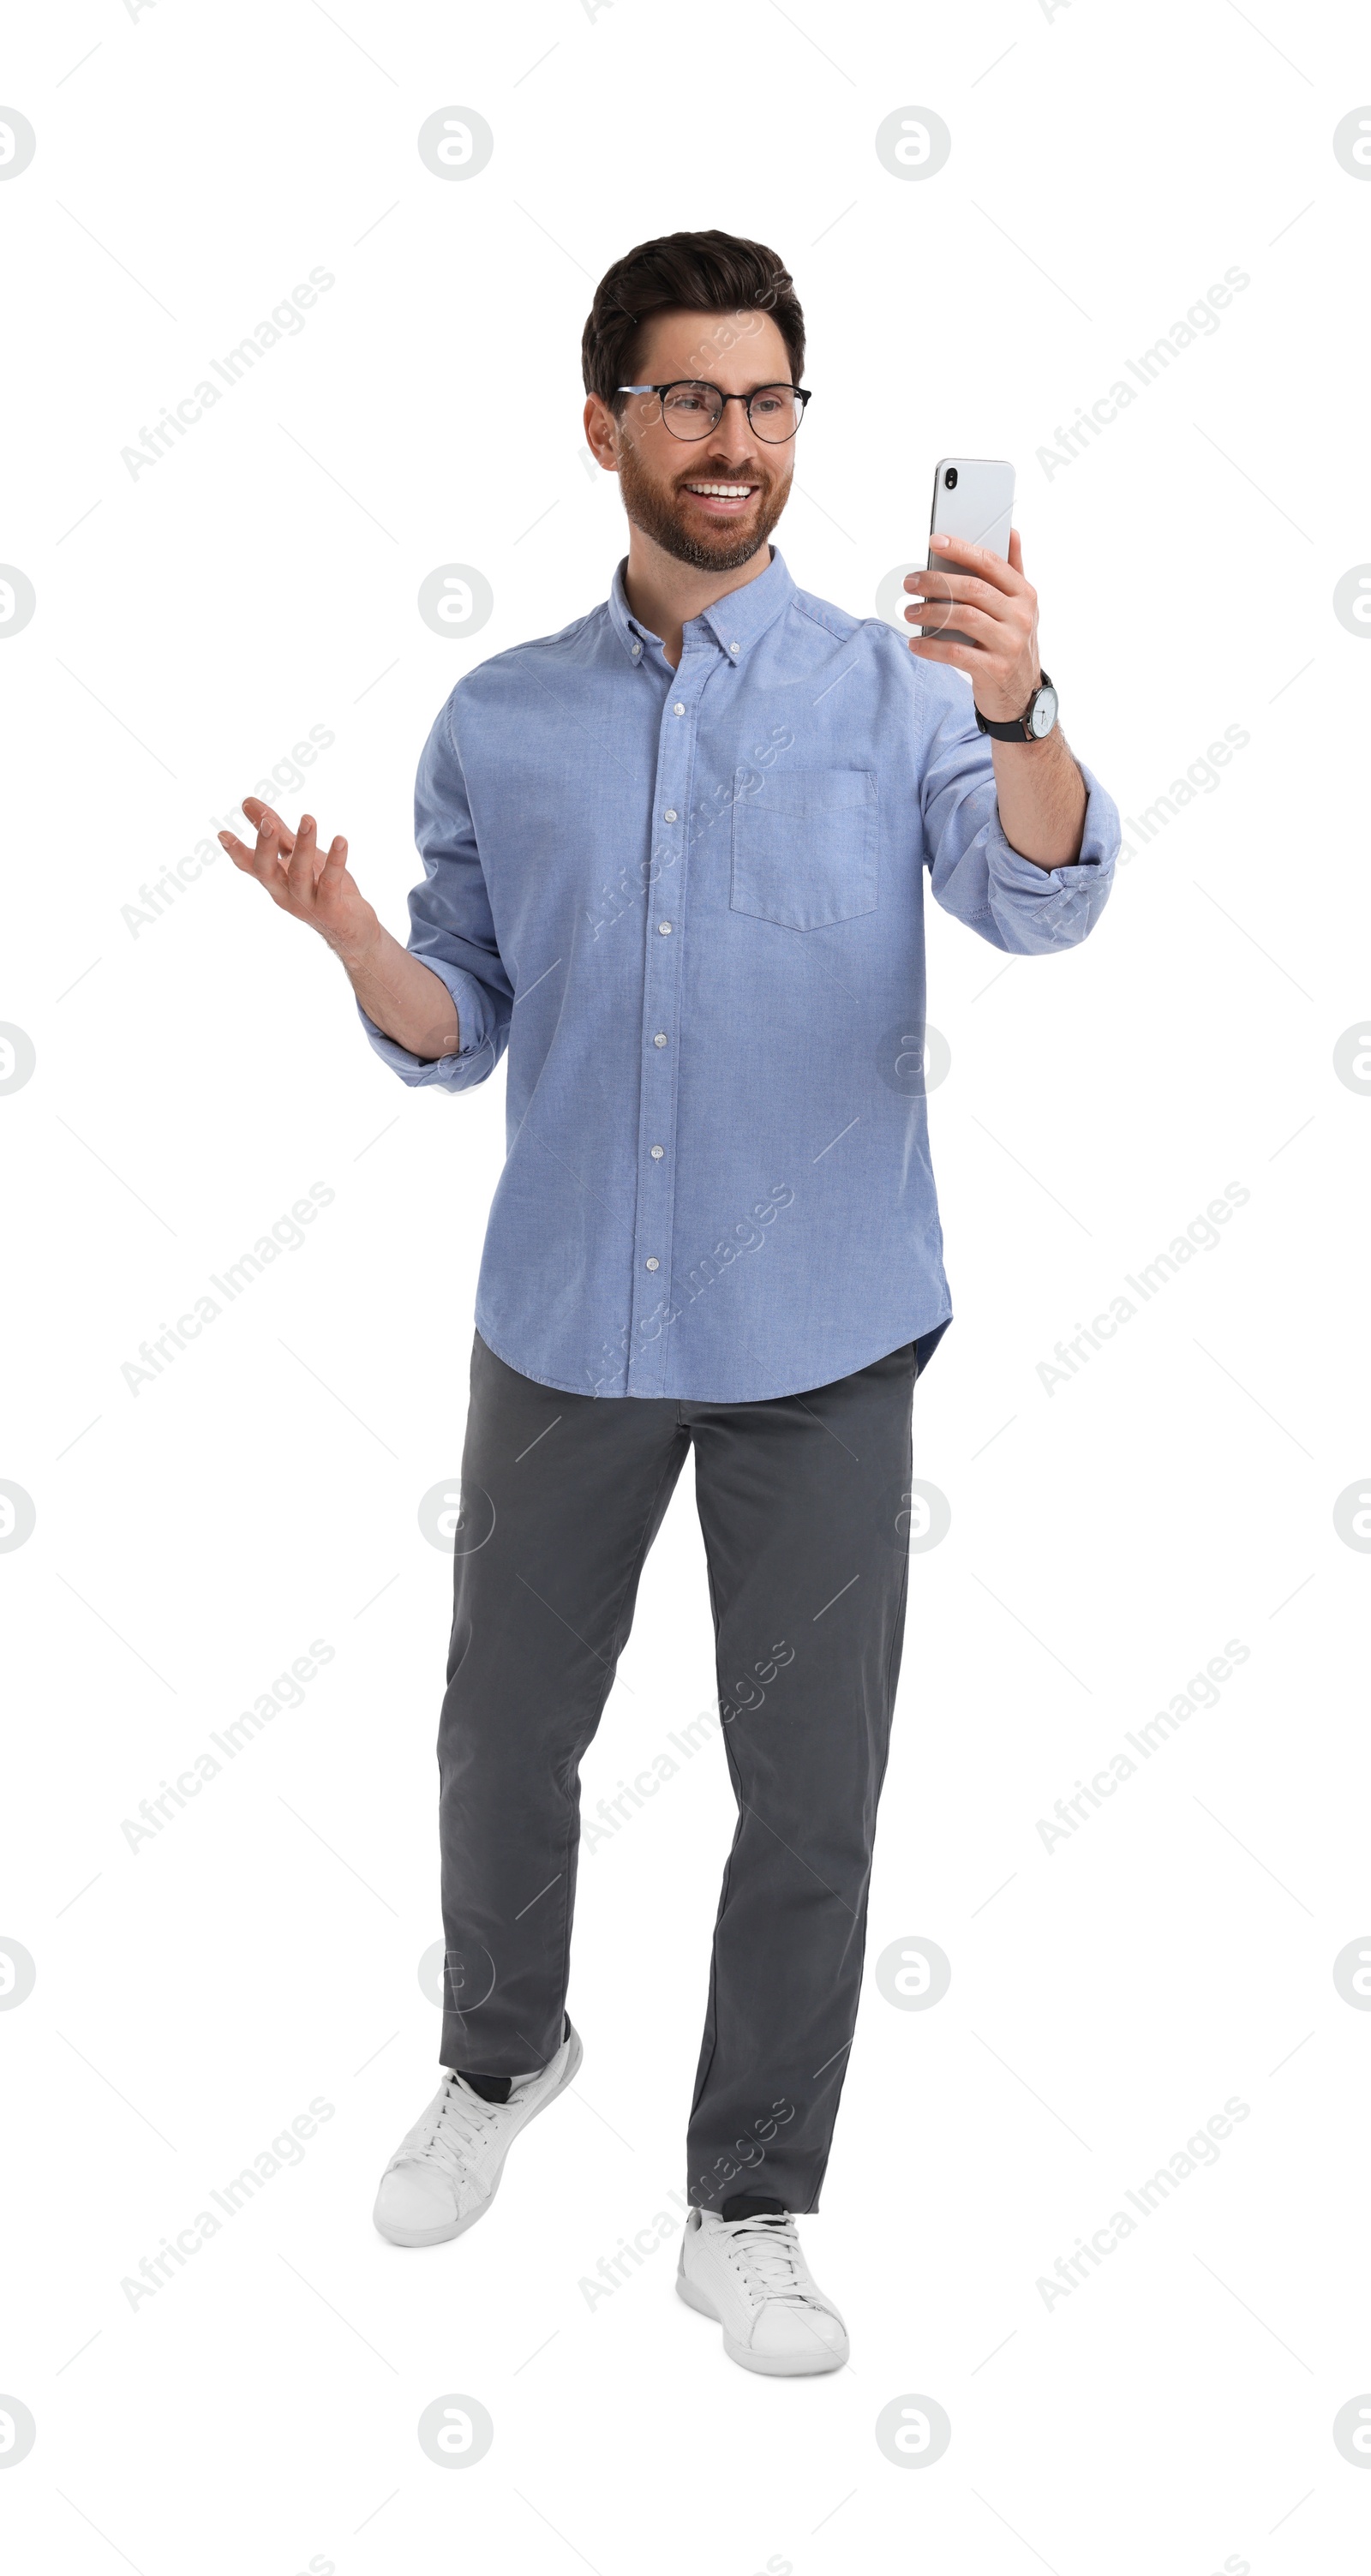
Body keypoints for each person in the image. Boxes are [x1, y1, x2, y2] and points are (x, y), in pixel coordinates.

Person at [221, 229, 1119, 2377]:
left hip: (823, 1343)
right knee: (501, 1739)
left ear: (798, 423)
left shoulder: (906, 689)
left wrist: (1020, 704)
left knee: (806, 1788)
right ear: (605, 420)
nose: (734, 439)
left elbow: (1038, 896)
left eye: (767, 400)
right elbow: (464, 1025)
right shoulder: (499, 719)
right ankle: (503, 2057)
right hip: (563, 1329)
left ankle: (750, 2201)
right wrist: (357, 939)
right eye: (691, 398)